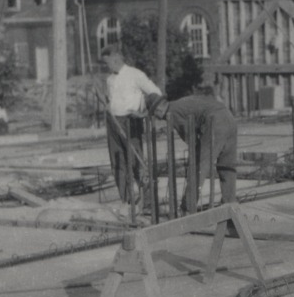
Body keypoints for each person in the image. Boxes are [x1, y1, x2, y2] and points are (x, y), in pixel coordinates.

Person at [152, 85, 238, 215]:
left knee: (198, 167)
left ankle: (187, 208)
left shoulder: (172, 112)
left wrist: (197, 152)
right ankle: (230, 205)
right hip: (229, 117)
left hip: (215, 122)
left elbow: (190, 137)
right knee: (227, 167)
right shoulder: (180, 104)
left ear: (158, 109)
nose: (158, 119)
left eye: (155, 115)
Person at [100, 46, 162, 208]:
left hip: (131, 121)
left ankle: (148, 200)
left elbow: (156, 93)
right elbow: (112, 100)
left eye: (108, 63)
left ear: (116, 59)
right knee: (117, 161)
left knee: (136, 161)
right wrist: (108, 105)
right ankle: (128, 201)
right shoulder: (110, 80)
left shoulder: (135, 75)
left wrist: (144, 113)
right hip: (113, 122)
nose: (107, 67)